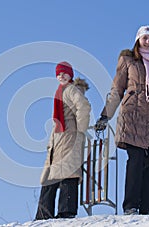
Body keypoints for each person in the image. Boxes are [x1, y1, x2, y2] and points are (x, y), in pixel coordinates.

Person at [95, 25, 149, 215]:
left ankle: (148, 207)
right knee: (135, 161)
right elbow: (117, 90)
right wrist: (105, 115)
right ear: (138, 39)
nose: (147, 41)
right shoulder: (128, 61)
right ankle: (130, 206)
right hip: (133, 117)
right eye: (144, 38)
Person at [35, 61, 91, 220]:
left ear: (70, 75)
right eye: (58, 74)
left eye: (64, 73)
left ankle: (65, 212)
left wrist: (80, 130)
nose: (61, 76)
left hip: (68, 136)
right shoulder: (61, 90)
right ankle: (44, 214)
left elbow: (83, 107)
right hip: (59, 138)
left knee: (68, 173)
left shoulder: (71, 90)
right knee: (52, 176)